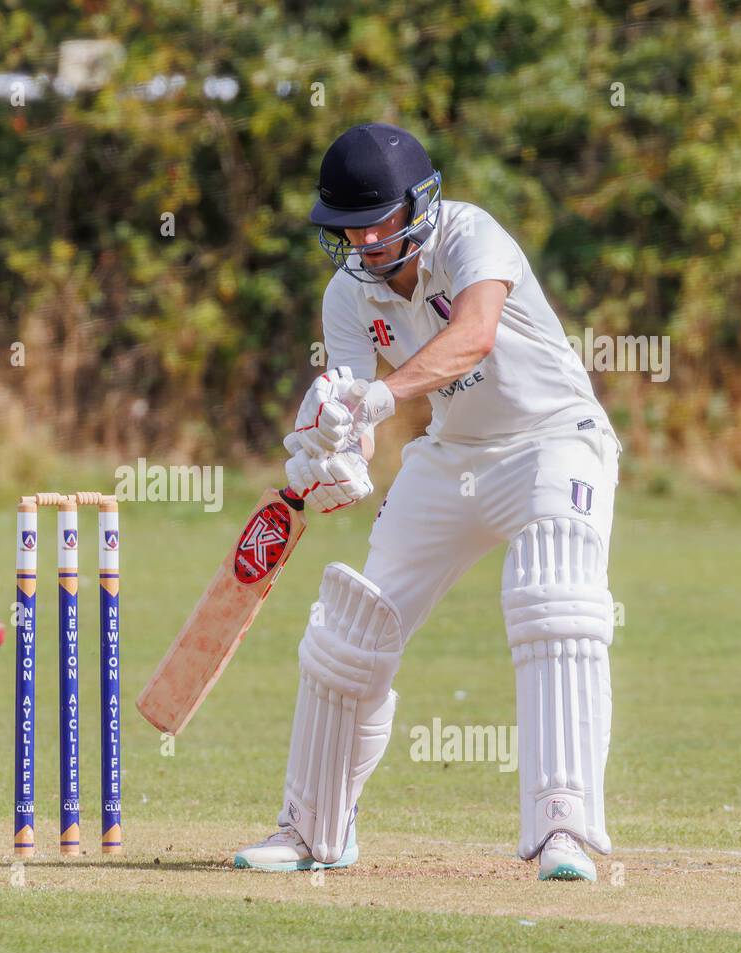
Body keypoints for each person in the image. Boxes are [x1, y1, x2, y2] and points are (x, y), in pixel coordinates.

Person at [234, 123, 621, 882]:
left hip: (554, 440)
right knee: (354, 625)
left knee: (555, 599)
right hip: (452, 460)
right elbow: (354, 413)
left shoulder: (472, 235)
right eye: (349, 227)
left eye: (378, 219)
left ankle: (562, 831)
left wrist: (375, 398)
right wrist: (333, 452)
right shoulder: (347, 295)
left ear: (420, 200)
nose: (366, 240)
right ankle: (315, 830)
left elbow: (473, 337)